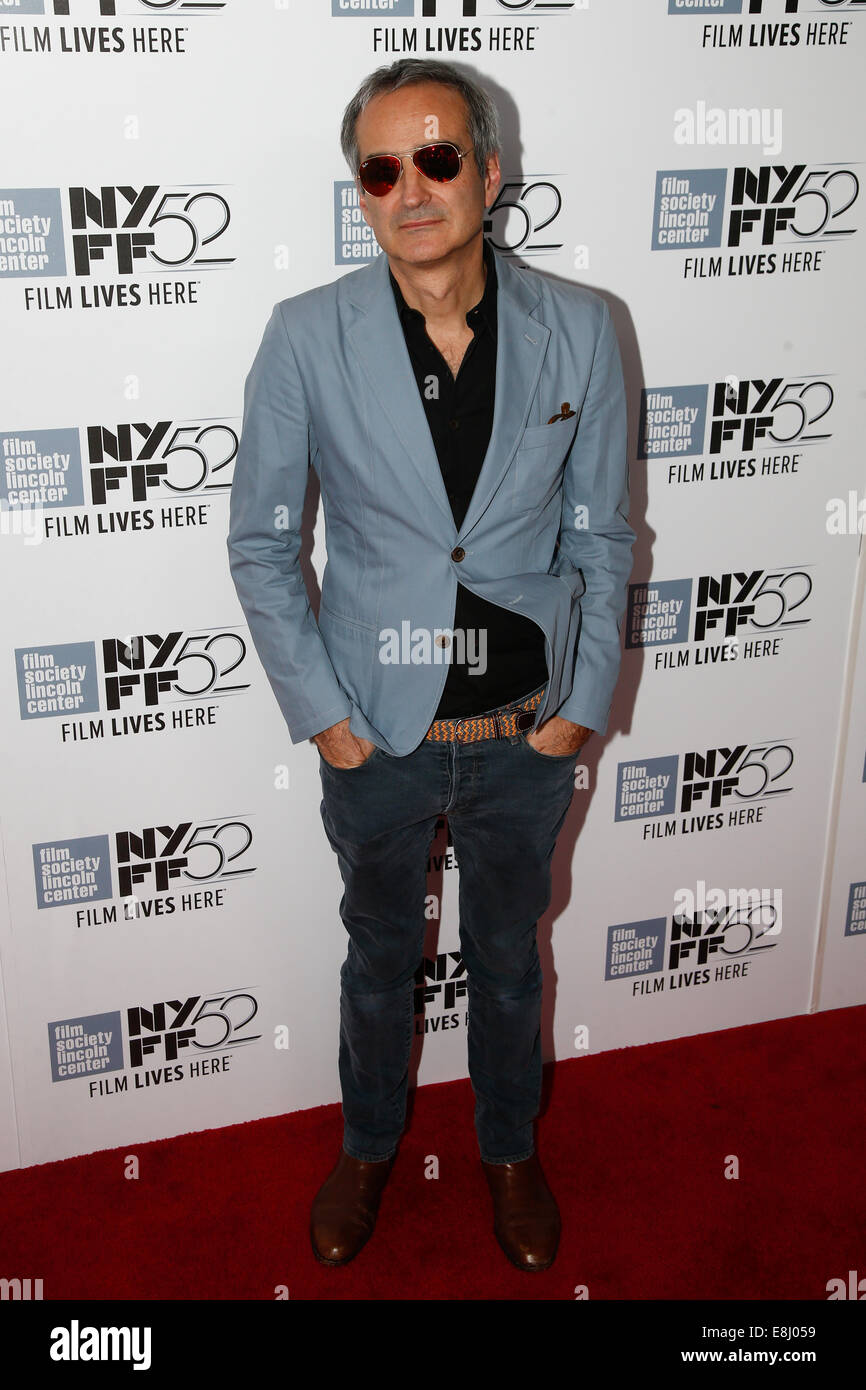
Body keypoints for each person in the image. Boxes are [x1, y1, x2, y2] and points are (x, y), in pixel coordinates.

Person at [227, 57, 636, 1273]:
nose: (412, 188)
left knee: (510, 960)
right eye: (381, 168)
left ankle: (507, 1148)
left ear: (490, 171)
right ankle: (368, 1145)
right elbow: (259, 543)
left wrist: (580, 708)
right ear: (361, 191)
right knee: (373, 962)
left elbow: (604, 534)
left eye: (439, 157)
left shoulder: (584, 326)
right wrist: (326, 719)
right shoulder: (304, 337)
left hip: (525, 732)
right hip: (377, 736)